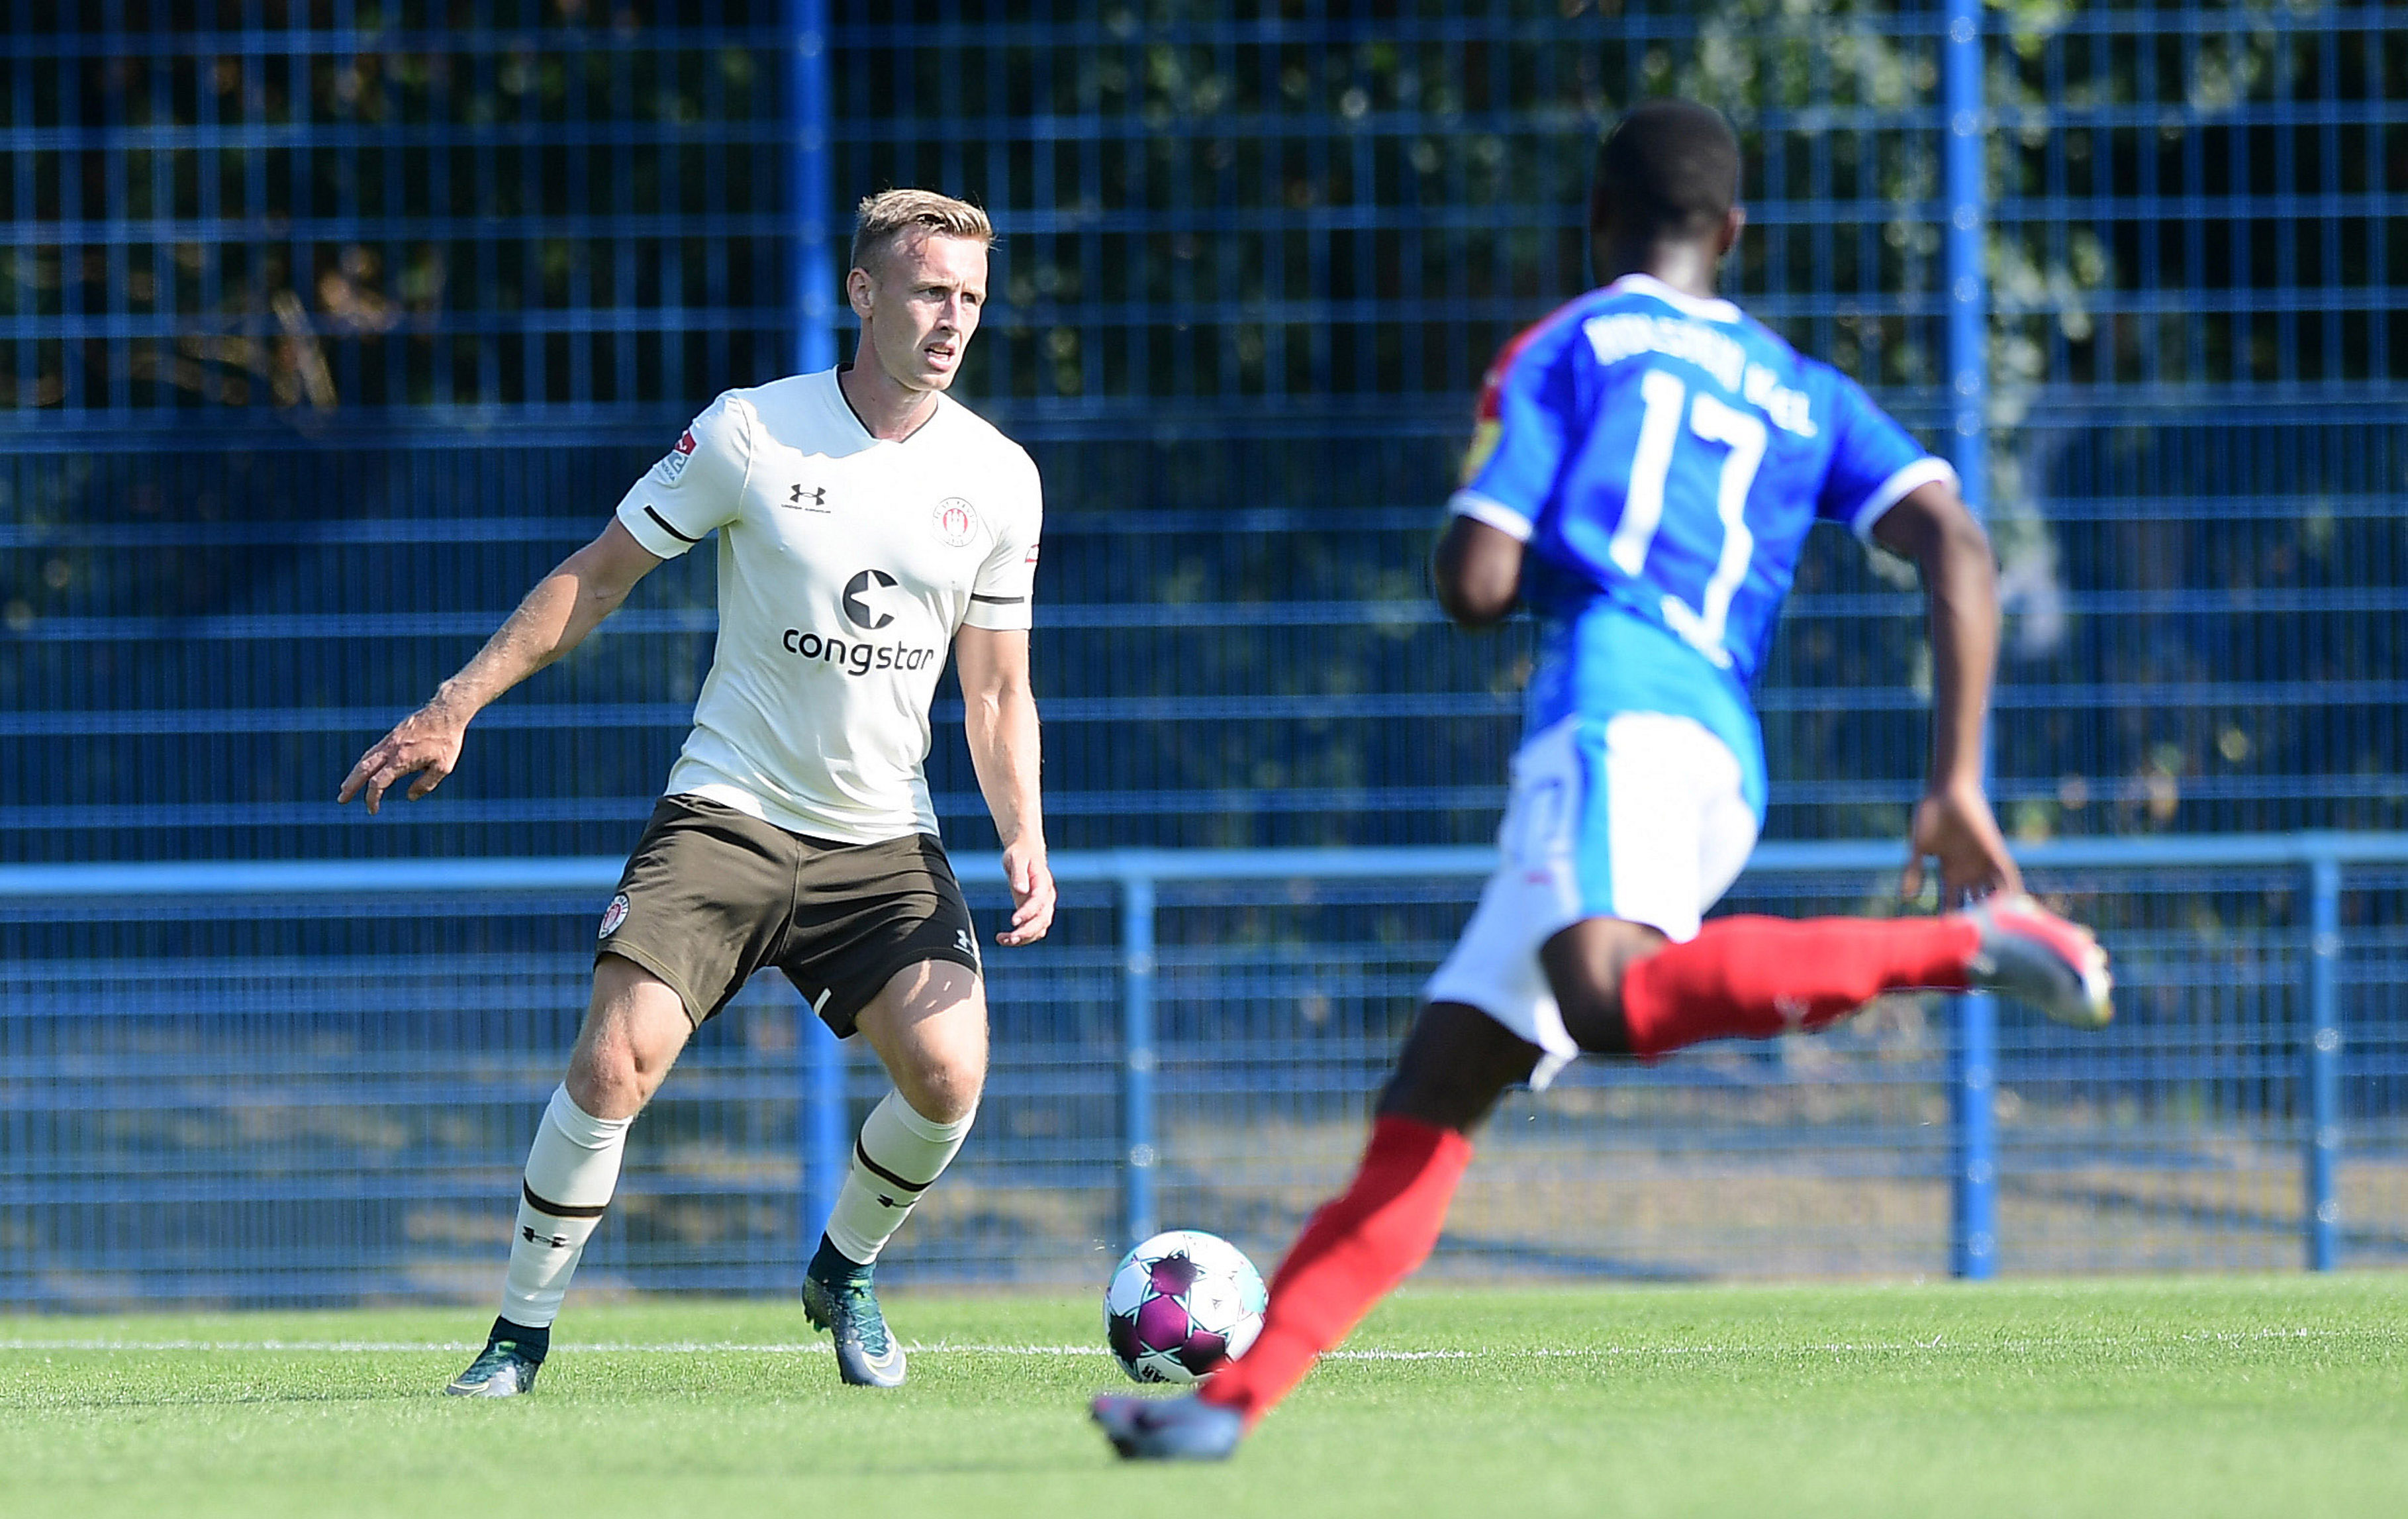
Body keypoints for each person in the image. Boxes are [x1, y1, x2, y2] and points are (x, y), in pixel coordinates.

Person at [1092, 99, 2112, 1461]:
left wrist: (1487, 483)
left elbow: (1475, 580)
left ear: (1594, 222)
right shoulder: (1802, 386)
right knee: (1431, 1099)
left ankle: (1964, 947)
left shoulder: (1569, 345)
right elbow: (1957, 545)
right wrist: (1954, 782)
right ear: (1732, 233)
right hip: (1707, 746)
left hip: (1613, 714)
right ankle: (1223, 1406)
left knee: (1614, 997)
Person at [338, 189, 1054, 1395]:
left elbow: (994, 693)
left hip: (883, 839)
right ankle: (516, 1339)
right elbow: (599, 576)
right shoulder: (751, 433)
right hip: (729, 811)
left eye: (971, 299)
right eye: (931, 290)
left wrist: (1025, 833)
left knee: (949, 1079)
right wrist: (454, 704)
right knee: (614, 1064)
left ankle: (843, 1271)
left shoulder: (998, 478)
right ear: (863, 292)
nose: (953, 320)